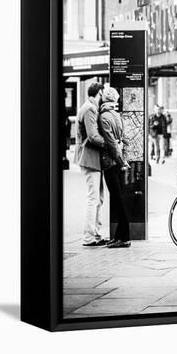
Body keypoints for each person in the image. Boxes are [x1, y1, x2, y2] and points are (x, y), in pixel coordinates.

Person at [74, 82, 108, 247]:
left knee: (98, 198)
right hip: (90, 159)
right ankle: (89, 238)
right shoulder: (90, 109)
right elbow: (93, 136)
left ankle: (96, 235)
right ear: (99, 92)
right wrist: (109, 143)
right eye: (103, 94)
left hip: (92, 159)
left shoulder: (88, 107)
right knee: (93, 198)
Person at [98, 87, 131, 248]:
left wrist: (119, 160)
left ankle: (124, 237)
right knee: (119, 199)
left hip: (111, 164)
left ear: (105, 99)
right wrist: (124, 160)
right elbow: (125, 140)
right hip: (119, 163)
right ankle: (119, 235)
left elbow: (111, 143)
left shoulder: (104, 116)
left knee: (118, 201)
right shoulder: (117, 116)